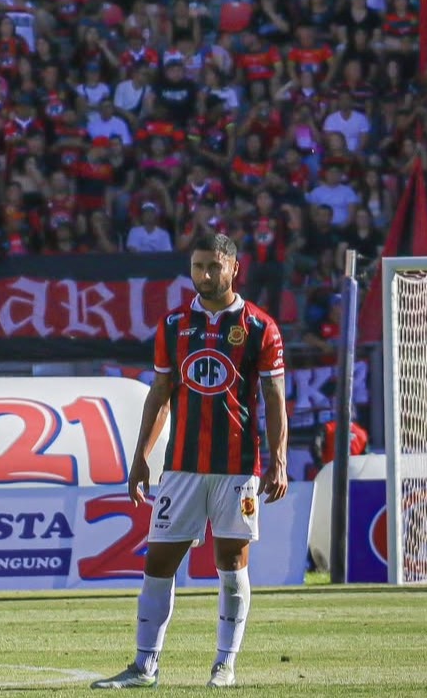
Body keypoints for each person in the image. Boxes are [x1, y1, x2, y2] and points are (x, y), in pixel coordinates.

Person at [93, 232, 288, 690]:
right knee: (158, 563)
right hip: (179, 468)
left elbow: (275, 397)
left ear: (233, 268)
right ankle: (144, 667)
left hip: (236, 468)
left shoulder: (260, 327)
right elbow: (160, 395)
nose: (203, 275)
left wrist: (277, 459)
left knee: (231, 564)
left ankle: (225, 663)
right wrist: (141, 457)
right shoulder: (173, 324)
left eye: (212, 267)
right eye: (198, 266)